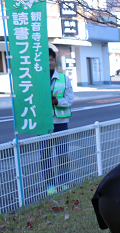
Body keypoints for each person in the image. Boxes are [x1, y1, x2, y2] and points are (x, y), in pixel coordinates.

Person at [42, 48, 74, 195]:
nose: (49, 62)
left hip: (61, 122)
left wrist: (57, 101)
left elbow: (70, 99)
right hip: (44, 123)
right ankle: (50, 185)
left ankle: (64, 183)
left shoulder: (64, 78)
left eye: (52, 59)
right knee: (46, 155)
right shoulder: (37, 80)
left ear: (55, 61)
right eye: (47, 60)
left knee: (62, 154)